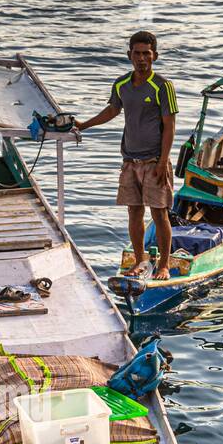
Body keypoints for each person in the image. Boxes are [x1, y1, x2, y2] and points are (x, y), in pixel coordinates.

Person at [75, 31, 178, 279]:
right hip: (130, 160)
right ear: (129, 55)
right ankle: (139, 260)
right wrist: (83, 125)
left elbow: (170, 125)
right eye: (137, 53)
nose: (141, 58)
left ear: (155, 56)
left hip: (155, 160)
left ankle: (163, 265)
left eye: (146, 53)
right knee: (133, 211)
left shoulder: (163, 86)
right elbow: (112, 110)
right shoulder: (121, 84)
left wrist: (163, 162)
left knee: (159, 212)